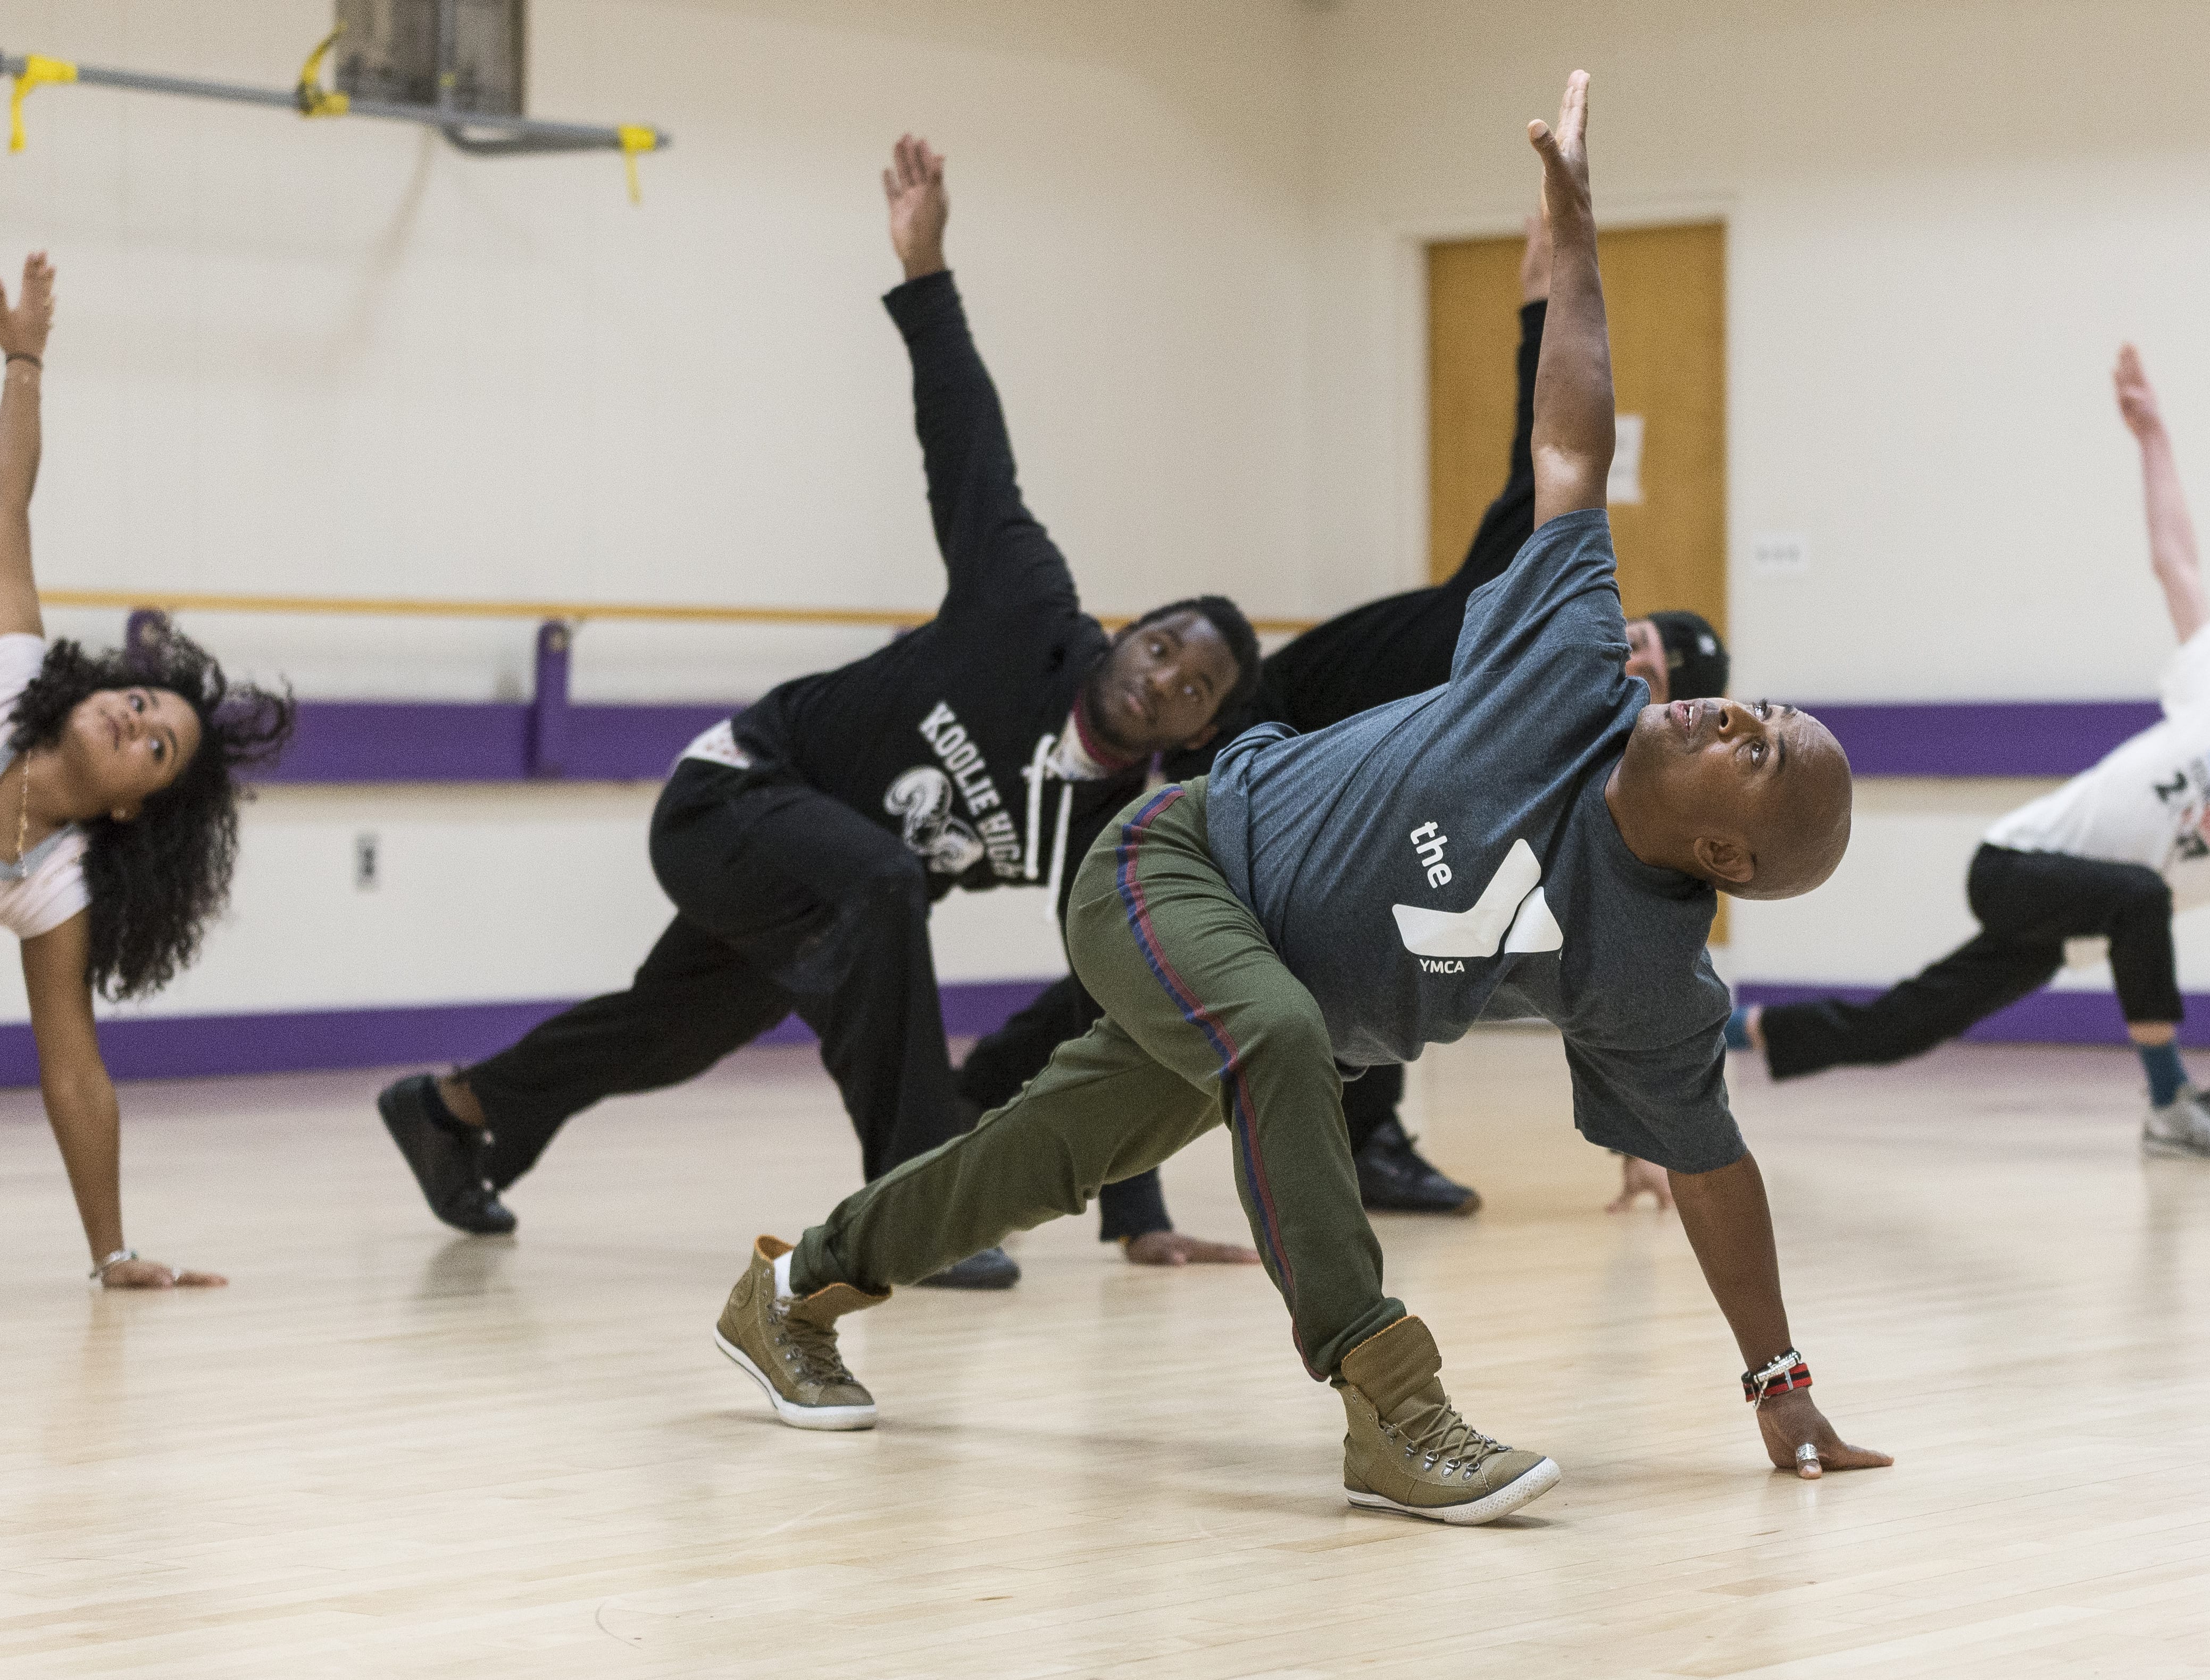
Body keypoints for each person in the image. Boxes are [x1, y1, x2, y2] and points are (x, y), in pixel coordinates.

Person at [710, 74, 1890, 1526]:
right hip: (1174, 867)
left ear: (1723, 852)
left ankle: (787, 1294)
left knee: (1028, 1162)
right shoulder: (1569, 657)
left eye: (1754, 747)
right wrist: (1575, 228)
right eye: (1754, 709)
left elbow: (1712, 1168)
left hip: (1263, 1010)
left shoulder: (1653, 982)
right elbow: (1572, 442)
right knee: (1273, 1034)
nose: (1727, 710)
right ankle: (1390, 1403)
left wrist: (1778, 1379)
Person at [373, 137, 1264, 1284]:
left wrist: (1133, 1211)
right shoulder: (1022, 605)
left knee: (675, 1029)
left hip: (822, 889)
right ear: (1126, 629)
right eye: (1160, 647)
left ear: (1192, 733)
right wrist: (925, 271)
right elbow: (968, 446)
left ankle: (451, 1107)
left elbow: (1117, 1002)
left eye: (1193, 690)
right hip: (732, 792)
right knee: (889, 882)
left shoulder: (1109, 832)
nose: (1162, 679)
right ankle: (916, 1201)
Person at [956, 205, 1733, 1222]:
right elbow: (1537, 419)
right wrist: (1544, 282)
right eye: (1642, 635)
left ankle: (990, 1093)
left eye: (1659, 671)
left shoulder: (1571, 760)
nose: (1637, 659)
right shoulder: (1534, 578)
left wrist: (1645, 1136)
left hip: (1340, 780)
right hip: (1267, 737)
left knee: (1385, 932)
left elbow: (1591, 948)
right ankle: (1041, 1120)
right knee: (1288, 947)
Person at [1728, 345, 2210, 1162]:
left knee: (1900, 1029)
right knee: (2139, 896)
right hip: (2017, 863)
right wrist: (2153, 436)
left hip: (2071, 930)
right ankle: (2168, 1100)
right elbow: (2177, 565)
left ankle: (1720, 1029)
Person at [0, 254, 296, 1288]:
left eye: (154, 741)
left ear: (136, 802)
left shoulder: (52, 884)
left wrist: (114, 1251)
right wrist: (23, 357)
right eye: (141, 700)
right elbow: (3, 512)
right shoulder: (11, 666)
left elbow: (75, 1072)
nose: (131, 714)